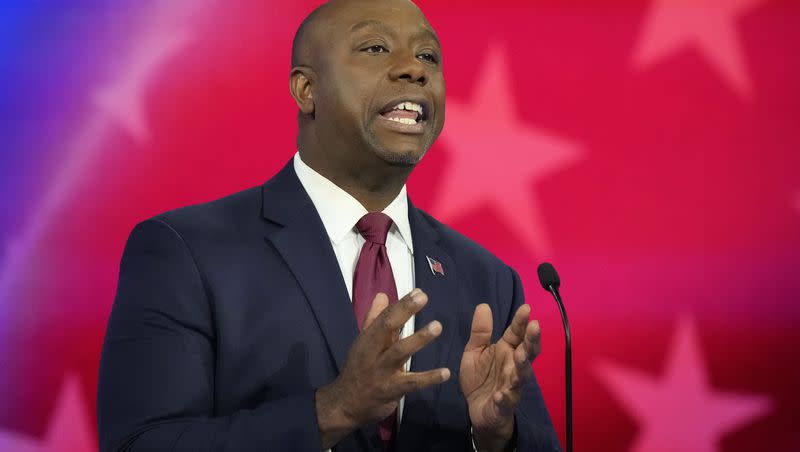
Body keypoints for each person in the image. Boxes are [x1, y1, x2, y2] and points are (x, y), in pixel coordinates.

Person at [97, 0, 561, 450]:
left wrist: (494, 436)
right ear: (306, 90)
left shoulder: (486, 279)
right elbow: (140, 443)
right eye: (376, 48)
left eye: (427, 56)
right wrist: (333, 410)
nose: (414, 70)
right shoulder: (187, 253)